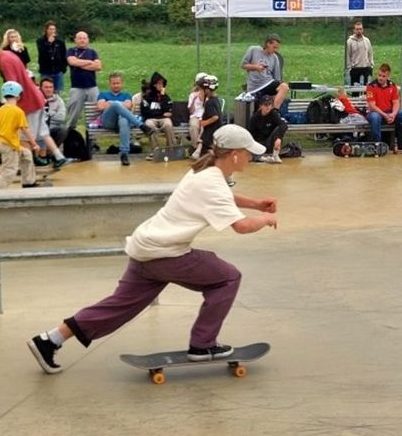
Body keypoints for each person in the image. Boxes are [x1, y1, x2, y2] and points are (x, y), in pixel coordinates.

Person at [26, 124, 278, 374]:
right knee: (228, 278)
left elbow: (225, 196)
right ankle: (203, 345)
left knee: (118, 307)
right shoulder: (211, 181)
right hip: (165, 253)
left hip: (145, 247)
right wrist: (265, 219)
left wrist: (255, 204)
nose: (251, 156)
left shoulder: (206, 169)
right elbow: (242, 226)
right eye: (248, 152)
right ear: (234, 154)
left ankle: (49, 340)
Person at [0, 31, 72, 169]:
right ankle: (59, 157)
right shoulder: (9, 54)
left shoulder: (4, 59)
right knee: (42, 132)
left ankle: (26, 168)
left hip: (28, 102)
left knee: (24, 136)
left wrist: (10, 106)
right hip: (37, 98)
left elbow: (13, 85)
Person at [0, 81, 39, 189]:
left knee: (26, 154)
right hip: (10, 145)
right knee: (9, 170)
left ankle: (28, 183)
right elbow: (25, 129)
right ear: (18, 96)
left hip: (3, 143)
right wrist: (34, 144)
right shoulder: (18, 111)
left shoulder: (1, 109)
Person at [365, 63, 402, 155]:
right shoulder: (371, 86)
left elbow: (396, 102)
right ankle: (377, 144)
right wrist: (385, 115)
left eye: (383, 76)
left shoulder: (392, 86)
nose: (380, 78)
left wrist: (393, 114)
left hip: (390, 112)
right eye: (379, 75)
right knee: (375, 117)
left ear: (388, 76)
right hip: (377, 113)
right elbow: (372, 106)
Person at [96, 72, 147, 166]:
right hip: (108, 122)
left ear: (122, 84)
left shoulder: (126, 95)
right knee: (116, 106)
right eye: (113, 83)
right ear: (110, 84)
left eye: (118, 83)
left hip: (122, 123)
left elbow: (128, 106)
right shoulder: (103, 94)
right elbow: (100, 106)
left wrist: (110, 103)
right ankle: (141, 125)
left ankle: (124, 154)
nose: (116, 85)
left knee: (123, 119)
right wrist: (116, 104)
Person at [64, 31, 103, 129]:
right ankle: (69, 135)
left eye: (84, 38)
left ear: (88, 40)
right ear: (75, 40)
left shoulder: (92, 52)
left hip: (92, 87)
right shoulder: (71, 51)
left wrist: (79, 64)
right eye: (80, 38)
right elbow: (72, 62)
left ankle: (92, 140)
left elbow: (98, 66)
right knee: (73, 114)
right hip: (77, 88)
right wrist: (90, 62)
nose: (82, 40)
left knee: (94, 114)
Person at [241, 34, 290, 110]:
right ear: (268, 44)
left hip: (268, 82)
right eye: (274, 47)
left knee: (284, 86)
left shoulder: (274, 57)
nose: (276, 50)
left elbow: (277, 78)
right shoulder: (254, 50)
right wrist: (256, 67)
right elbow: (243, 65)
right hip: (255, 86)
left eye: (277, 48)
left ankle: (274, 111)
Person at [140, 72, 176, 159]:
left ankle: (171, 150)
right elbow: (145, 112)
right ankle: (155, 151)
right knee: (149, 125)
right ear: (154, 84)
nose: (161, 85)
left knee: (168, 124)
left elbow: (169, 110)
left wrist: (162, 97)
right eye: (159, 83)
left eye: (162, 83)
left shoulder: (165, 96)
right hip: (150, 119)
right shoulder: (147, 96)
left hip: (163, 119)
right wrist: (160, 113)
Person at [247, 93, 287, 163]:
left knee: (279, 129)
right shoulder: (255, 118)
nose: (268, 107)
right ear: (261, 106)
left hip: (270, 142)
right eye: (265, 105)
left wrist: (278, 138)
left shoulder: (273, 114)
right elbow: (250, 134)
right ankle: (263, 158)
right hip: (258, 143)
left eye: (269, 105)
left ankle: (275, 155)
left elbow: (283, 125)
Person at [37, 21, 68, 93]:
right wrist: (49, 43)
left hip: (58, 70)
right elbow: (42, 53)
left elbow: (64, 54)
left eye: (53, 29)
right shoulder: (40, 41)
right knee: (45, 91)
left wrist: (63, 68)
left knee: (58, 91)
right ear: (46, 30)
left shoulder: (60, 41)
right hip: (45, 70)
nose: (52, 31)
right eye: (50, 29)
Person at [40, 76, 69, 147]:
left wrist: (47, 114)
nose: (49, 89)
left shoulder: (59, 100)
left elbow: (61, 118)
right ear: (41, 88)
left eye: (51, 87)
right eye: (46, 87)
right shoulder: (36, 99)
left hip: (52, 128)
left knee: (63, 130)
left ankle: (51, 153)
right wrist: (53, 114)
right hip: (38, 129)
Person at [346, 20, 374, 86]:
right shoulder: (349, 41)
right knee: (355, 92)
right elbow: (347, 55)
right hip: (355, 69)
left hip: (366, 69)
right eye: (357, 29)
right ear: (354, 30)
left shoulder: (367, 40)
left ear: (363, 29)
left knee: (366, 91)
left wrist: (371, 65)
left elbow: (370, 53)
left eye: (360, 29)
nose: (359, 31)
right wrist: (349, 67)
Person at [187, 73, 208, 158]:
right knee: (193, 126)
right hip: (195, 116)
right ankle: (196, 147)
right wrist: (194, 99)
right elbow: (191, 111)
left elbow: (208, 107)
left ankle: (201, 148)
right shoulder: (192, 95)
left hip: (205, 115)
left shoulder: (207, 95)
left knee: (204, 126)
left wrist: (203, 98)